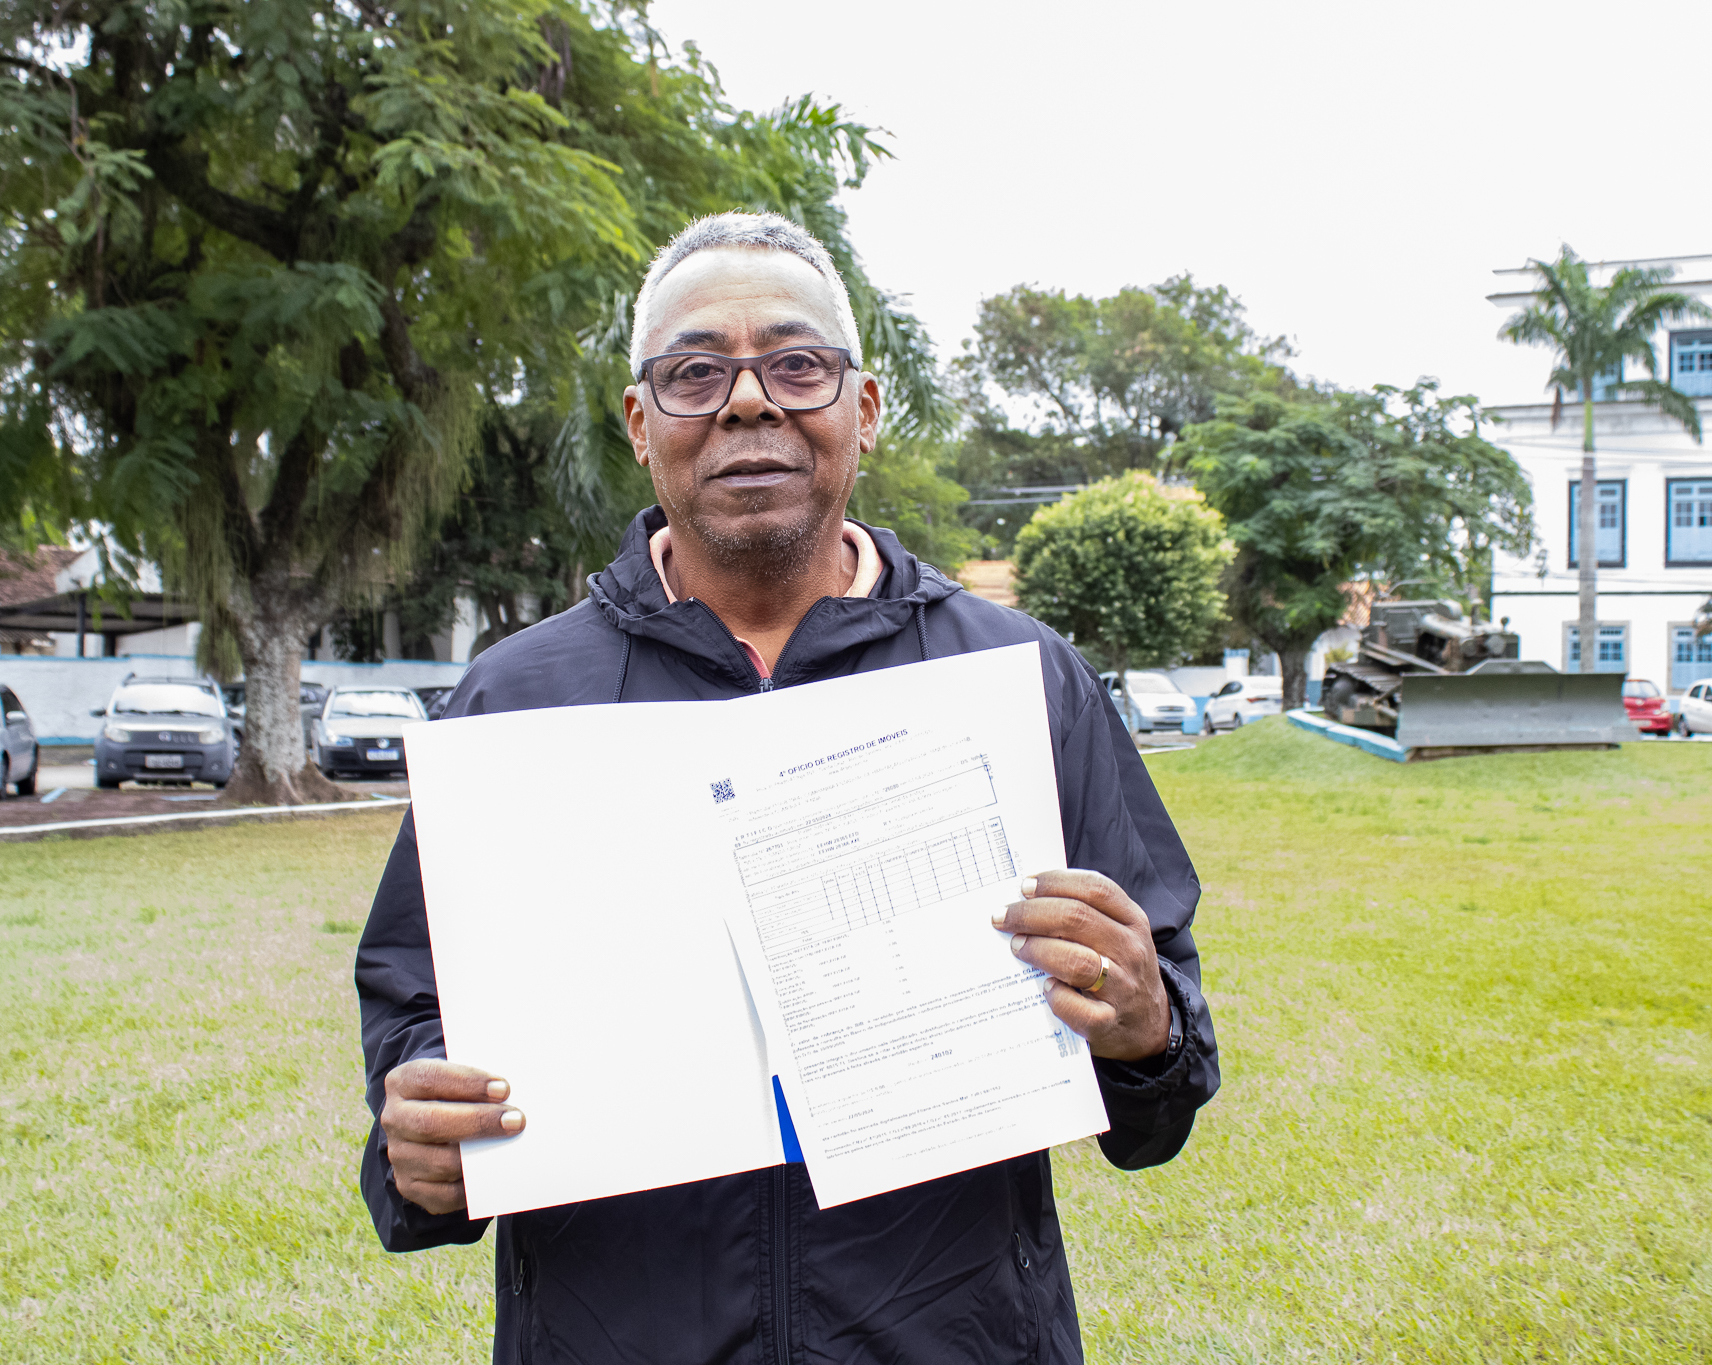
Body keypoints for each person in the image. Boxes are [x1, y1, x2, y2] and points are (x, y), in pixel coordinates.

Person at [357, 211, 1220, 1363]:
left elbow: (1161, 1070)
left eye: (796, 364)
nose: (747, 402)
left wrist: (1144, 1026)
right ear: (639, 422)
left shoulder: (1014, 680)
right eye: (694, 371)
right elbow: (415, 1015)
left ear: (860, 409)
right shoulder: (513, 702)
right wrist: (417, 1141)